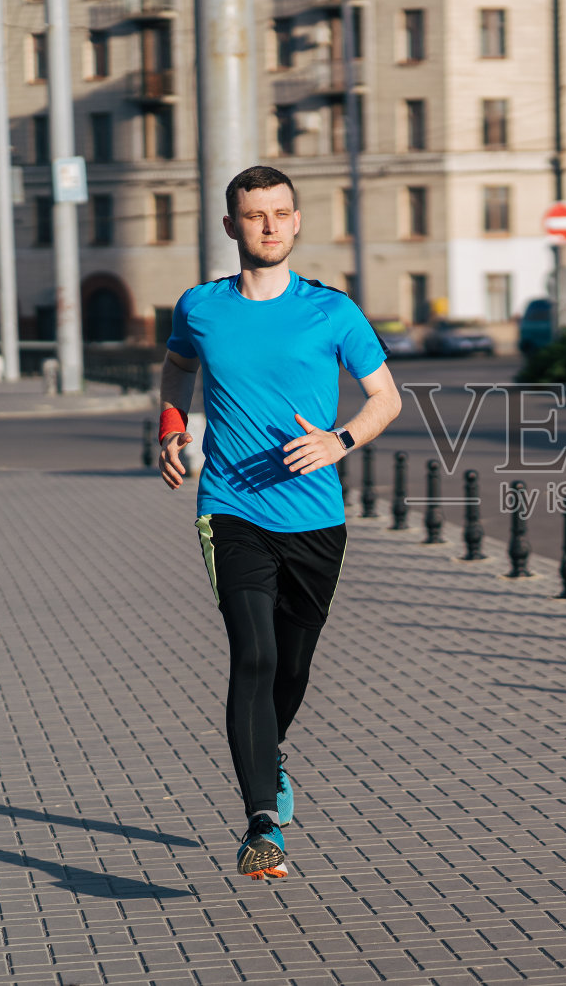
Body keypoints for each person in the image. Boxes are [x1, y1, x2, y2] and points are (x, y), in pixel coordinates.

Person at [157, 166, 401, 880]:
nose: (267, 225)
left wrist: (339, 441)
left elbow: (385, 398)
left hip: (317, 519)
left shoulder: (334, 313)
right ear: (231, 226)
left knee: (293, 667)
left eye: (279, 213)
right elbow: (176, 367)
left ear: (297, 223)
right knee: (254, 655)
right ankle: (262, 820)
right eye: (253, 215)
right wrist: (172, 427)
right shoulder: (200, 306)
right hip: (231, 508)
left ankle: (272, 752)